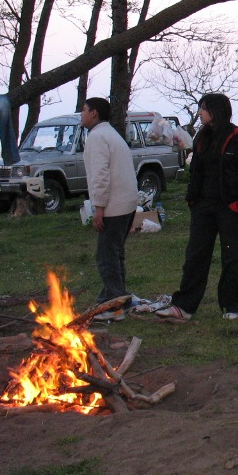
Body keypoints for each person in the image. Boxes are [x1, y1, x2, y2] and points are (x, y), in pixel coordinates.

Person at [156, 94, 238, 321]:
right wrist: (192, 199)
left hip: (229, 208)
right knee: (195, 255)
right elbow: (196, 169)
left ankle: (233, 305)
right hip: (203, 206)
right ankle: (184, 306)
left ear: (215, 111)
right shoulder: (202, 137)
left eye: (203, 109)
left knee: (232, 257)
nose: (200, 113)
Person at [81, 97, 139, 323]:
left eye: (84, 110)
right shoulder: (112, 134)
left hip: (114, 205)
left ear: (94, 113)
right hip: (127, 202)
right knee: (116, 253)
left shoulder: (97, 137)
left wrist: (99, 208)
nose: (82, 114)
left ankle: (115, 303)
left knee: (106, 256)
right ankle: (114, 297)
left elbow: (100, 175)